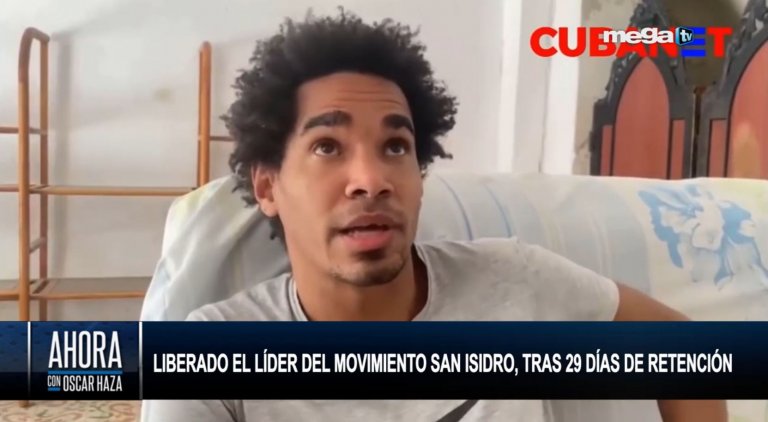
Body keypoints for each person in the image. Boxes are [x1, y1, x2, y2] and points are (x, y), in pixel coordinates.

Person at [142, 9, 727, 422]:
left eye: (395, 146)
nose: (371, 178)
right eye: (327, 147)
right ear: (268, 185)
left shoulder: (513, 279)